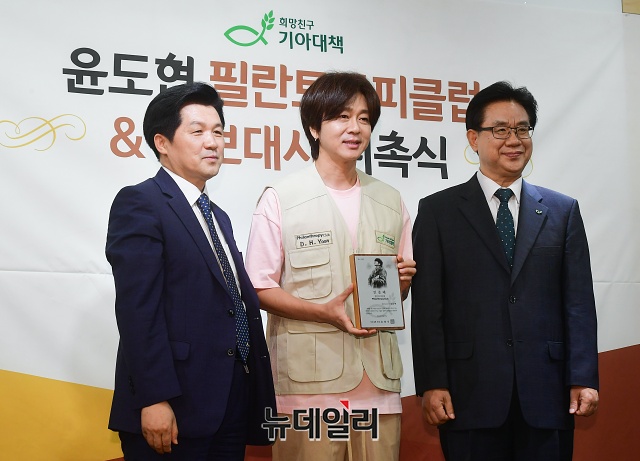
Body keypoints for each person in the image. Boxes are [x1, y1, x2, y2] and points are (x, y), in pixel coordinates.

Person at [411, 81, 599, 461]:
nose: (514, 140)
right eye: (500, 130)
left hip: (547, 394)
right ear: (473, 138)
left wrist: (583, 377)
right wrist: (432, 382)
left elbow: (578, 303)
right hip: (467, 395)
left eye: (522, 129)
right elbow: (428, 308)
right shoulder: (437, 212)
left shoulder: (563, 211)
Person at [245, 72, 416, 461]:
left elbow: (396, 289)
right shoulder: (281, 198)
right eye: (341, 116)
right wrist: (322, 312)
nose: (355, 128)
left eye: (364, 118)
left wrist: (402, 284)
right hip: (307, 390)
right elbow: (258, 287)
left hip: (379, 389)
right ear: (314, 127)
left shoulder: (391, 200)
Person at [106, 82, 276, 461]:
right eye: (197, 132)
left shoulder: (219, 217)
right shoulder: (141, 203)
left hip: (230, 400)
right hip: (174, 405)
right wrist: (153, 398)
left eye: (218, 132)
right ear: (162, 143)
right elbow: (138, 311)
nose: (212, 142)